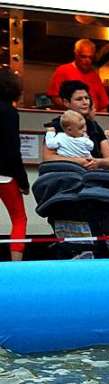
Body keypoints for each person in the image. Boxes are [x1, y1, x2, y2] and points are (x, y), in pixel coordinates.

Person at [40, 81, 109, 169]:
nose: (85, 102)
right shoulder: (57, 125)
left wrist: (97, 162)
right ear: (66, 102)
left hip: (92, 176)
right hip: (65, 176)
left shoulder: (94, 126)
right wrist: (80, 161)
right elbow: (48, 158)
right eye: (79, 99)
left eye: (86, 98)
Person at [0, 69, 29, 261]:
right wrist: (23, 181)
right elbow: (12, 150)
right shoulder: (10, 113)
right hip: (5, 174)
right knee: (19, 218)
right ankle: (15, 264)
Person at [47, 39, 109, 113]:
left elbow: (104, 105)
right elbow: (55, 97)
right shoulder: (63, 71)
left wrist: (100, 120)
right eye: (83, 57)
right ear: (76, 54)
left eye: (90, 57)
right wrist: (75, 112)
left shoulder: (95, 76)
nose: (87, 60)